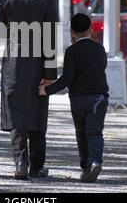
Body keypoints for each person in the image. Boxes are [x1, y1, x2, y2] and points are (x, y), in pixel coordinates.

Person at [0, 0, 58, 180]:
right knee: (38, 114)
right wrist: (50, 73)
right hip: (40, 63)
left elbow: (0, 32)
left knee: (17, 115)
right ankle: (37, 166)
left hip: (13, 63)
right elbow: (51, 37)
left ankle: (20, 164)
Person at [39, 13, 109, 183]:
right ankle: (95, 162)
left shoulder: (71, 51)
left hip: (77, 99)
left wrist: (46, 90)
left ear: (72, 32)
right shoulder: (99, 49)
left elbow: (67, 79)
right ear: (91, 30)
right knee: (95, 133)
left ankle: (86, 167)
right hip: (98, 98)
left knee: (81, 133)